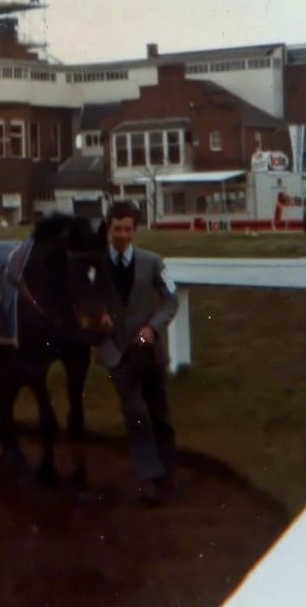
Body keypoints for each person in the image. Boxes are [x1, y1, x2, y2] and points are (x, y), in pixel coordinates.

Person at [95, 201, 179, 506]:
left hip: (149, 352)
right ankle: (148, 479)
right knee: (136, 414)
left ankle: (168, 471)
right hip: (117, 352)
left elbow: (171, 300)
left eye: (127, 229)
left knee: (159, 413)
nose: (121, 235)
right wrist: (98, 315)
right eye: (116, 229)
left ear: (135, 230)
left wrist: (153, 328)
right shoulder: (97, 265)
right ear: (109, 229)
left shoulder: (153, 262)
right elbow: (85, 298)